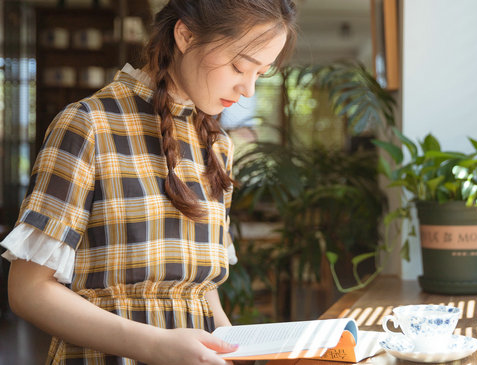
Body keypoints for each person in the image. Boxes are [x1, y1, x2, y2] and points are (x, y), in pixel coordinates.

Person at [1, 0, 297, 364]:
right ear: (186, 35)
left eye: (261, 74)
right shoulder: (89, 125)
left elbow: (201, 291)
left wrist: (232, 352)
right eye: (240, 66)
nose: (249, 90)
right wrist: (155, 346)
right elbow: (27, 291)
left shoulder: (217, 146)